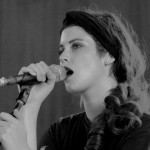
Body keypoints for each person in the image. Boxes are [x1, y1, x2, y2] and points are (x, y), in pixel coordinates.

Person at [0, 8, 150, 150]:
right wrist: (32, 102)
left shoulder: (142, 130)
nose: (63, 57)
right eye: (61, 50)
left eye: (76, 46)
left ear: (108, 55)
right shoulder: (60, 132)